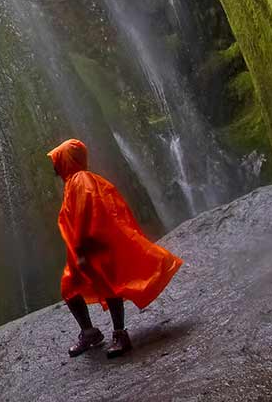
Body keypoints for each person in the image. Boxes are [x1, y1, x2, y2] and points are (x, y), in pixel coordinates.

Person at [48, 138, 183, 359]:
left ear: (67, 159)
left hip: (91, 244)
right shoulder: (74, 181)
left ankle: (120, 334)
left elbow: (84, 213)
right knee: (70, 287)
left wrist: (82, 248)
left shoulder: (81, 180)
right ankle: (89, 332)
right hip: (82, 246)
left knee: (108, 285)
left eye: (57, 158)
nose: (54, 164)